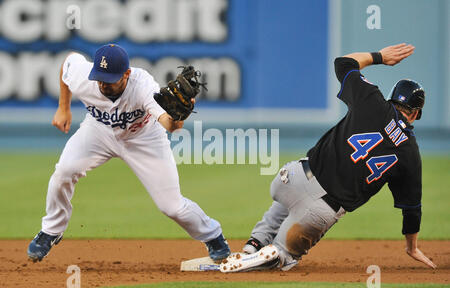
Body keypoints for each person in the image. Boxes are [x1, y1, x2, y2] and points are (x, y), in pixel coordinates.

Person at [220, 43, 437, 273]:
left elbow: (343, 62)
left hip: (293, 179)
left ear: (393, 99)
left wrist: (380, 56)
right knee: (284, 257)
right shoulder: (410, 153)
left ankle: (253, 246)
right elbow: (412, 209)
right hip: (320, 210)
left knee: (282, 206)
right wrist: (411, 247)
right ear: (415, 113)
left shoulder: (370, 99)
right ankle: (275, 253)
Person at [27, 44, 230, 263]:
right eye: (100, 77)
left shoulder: (143, 87)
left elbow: (171, 126)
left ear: (126, 74)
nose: (103, 83)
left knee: (171, 206)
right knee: (64, 172)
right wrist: (63, 107)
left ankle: (214, 237)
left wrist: (181, 116)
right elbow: (68, 62)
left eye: (110, 78)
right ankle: (51, 230)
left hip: (144, 139)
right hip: (98, 131)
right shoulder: (84, 77)